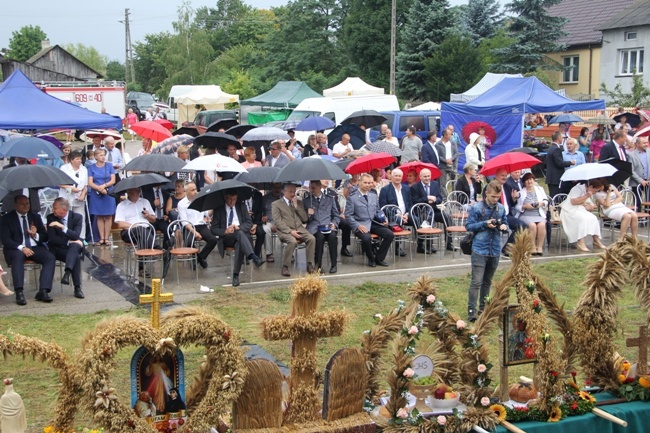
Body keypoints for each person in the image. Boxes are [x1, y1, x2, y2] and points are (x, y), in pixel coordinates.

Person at [465, 180, 510, 322]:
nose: (495, 200)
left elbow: (506, 224)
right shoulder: (477, 208)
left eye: (498, 197)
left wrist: (503, 227)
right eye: (493, 197)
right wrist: (485, 224)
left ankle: (483, 308)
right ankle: (471, 311)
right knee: (476, 281)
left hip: (495, 249)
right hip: (479, 249)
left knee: (488, 281)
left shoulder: (501, 209)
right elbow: (469, 226)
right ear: (486, 194)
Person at [1, 195, 56, 305]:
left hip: (34, 247)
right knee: (18, 257)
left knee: (50, 257)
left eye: (27, 203)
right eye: (22, 204)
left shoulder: (35, 217)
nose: (26, 206)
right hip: (16, 248)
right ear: (15, 205)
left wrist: (35, 235)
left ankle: (43, 290)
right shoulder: (6, 219)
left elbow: (45, 236)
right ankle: (19, 292)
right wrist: (22, 248)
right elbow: (6, 240)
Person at [211, 192, 265, 286]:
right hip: (228, 237)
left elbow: (249, 223)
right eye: (230, 199)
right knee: (239, 235)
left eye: (234, 199)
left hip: (241, 235)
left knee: (239, 243)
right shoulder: (219, 209)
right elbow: (213, 229)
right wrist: (226, 231)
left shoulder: (241, 207)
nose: (232, 202)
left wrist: (239, 227)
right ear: (225, 197)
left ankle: (235, 276)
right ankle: (253, 256)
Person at [345, 173, 394, 267]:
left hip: (373, 222)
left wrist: (384, 218)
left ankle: (379, 258)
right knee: (366, 238)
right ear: (359, 182)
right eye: (365, 182)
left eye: (370, 183)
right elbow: (348, 215)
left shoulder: (373, 195)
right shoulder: (353, 198)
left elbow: (378, 210)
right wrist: (357, 226)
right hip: (360, 224)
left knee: (389, 234)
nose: (368, 185)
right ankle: (371, 258)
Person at [272, 183, 316, 277]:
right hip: (286, 231)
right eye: (290, 192)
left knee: (311, 238)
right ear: (284, 191)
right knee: (292, 241)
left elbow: (304, 219)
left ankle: (309, 264)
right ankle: (285, 266)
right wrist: (290, 231)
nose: (293, 194)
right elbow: (278, 222)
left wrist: (296, 207)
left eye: (294, 192)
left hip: (300, 229)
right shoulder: (276, 204)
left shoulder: (298, 203)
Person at [115, 187, 158, 277]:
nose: (138, 193)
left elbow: (154, 219)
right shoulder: (122, 205)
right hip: (129, 231)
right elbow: (121, 224)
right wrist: (135, 225)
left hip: (146, 231)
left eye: (139, 191)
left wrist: (148, 216)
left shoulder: (145, 202)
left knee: (143, 235)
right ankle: (156, 247)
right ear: (129, 192)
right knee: (141, 229)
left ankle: (141, 269)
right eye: (136, 191)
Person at [46, 198, 85, 299]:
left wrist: (63, 227)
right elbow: (53, 239)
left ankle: (68, 273)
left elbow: (76, 235)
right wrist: (68, 242)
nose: (52, 210)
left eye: (55, 208)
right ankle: (77, 287)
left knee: (75, 249)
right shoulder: (51, 218)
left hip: (71, 249)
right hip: (58, 249)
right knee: (75, 252)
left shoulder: (77, 217)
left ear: (63, 210)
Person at [410, 168, 456, 252]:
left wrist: (435, 199)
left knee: (447, 218)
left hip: (434, 210)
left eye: (428, 176)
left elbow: (440, 198)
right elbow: (414, 201)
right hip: (421, 211)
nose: (427, 178)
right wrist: (426, 198)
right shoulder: (415, 187)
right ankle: (426, 245)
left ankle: (449, 243)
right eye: (425, 176)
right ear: (420, 177)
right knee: (428, 219)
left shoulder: (435, 184)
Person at [177, 182, 217, 269]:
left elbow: (208, 214)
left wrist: (213, 206)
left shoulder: (200, 199)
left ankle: (199, 259)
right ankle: (199, 260)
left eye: (196, 189)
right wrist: (195, 233)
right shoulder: (181, 204)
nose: (195, 191)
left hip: (201, 225)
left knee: (213, 240)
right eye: (192, 190)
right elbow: (185, 222)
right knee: (188, 242)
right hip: (189, 227)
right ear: (186, 192)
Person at [303, 180, 340, 273]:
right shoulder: (306, 201)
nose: (311, 190)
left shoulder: (329, 199)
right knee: (320, 237)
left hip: (327, 225)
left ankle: (334, 264)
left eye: (314, 188)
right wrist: (308, 215)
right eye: (310, 187)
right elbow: (304, 219)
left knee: (332, 237)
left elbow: (336, 215)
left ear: (320, 187)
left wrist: (334, 224)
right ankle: (317, 265)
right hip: (315, 227)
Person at [560, 180, 606, 252]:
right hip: (569, 211)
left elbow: (590, 207)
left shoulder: (588, 192)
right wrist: (586, 196)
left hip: (580, 210)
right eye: (596, 190)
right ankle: (580, 242)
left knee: (593, 218)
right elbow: (573, 201)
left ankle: (596, 240)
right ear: (590, 187)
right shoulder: (577, 188)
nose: (595, 192)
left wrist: (588, 206)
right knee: (583, 219)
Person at [378, 168, 411, 257]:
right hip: (392, 215)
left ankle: (422, 244)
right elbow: (383, 207)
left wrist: (407, 214)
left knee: (418, 220)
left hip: (406, 214)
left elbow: (410, 203)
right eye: (396, 176)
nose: (398, 178)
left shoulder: (406, 188)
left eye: (399, 176)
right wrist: (398, 214)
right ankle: (397, 247)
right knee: (398, 220)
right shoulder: (385, 190)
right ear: (391, 177)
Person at [87, 148, 117, 246]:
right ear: (95, 156)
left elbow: (113, 180)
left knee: (108, 215)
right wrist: (99, 189)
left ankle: (107, 238)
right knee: (99, 215)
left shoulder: (109, 166)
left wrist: (104, 186)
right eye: (100, 155)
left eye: (104, 155)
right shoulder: (91, 167)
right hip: (96, 192)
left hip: (108, 191)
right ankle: (101, 238)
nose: (103, 157)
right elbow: (90, 182)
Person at [514, 173, 549, 255]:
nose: (529, 182)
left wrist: (542, 203)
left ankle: (539, 247)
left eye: (531, 179)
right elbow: (516, 207)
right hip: (526, 214)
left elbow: (546, 201)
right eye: (527, 180)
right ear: (524, 182)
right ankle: (532, 247)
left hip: (538, 213)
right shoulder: (521, 192)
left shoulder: (540, 189)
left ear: (533, 180)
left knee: (542, 225)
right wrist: (525, 206)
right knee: (532, 225)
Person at [59, 150, 88, 239]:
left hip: (79, 197)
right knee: (66, 217)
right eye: (77, 159)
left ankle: (81, 237)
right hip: (67, 197)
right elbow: (59, 183)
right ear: (72, 160)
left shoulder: (84, 169)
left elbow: (85, 184)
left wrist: (83, 194)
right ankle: (67, 236)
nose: (79, 161)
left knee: (81, 217)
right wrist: (71, 188)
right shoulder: (64, 168)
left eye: (80, 159)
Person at [545, 131, 575, 198]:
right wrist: (570, 162)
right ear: (559, 138)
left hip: (551, 177)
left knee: (553, 195)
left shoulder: (551, 148)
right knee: (556, 196)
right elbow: (560, 163)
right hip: (555, 178)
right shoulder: (556, 149)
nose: (562, 139)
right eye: (561, 137)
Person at [262, 183, 283, 263]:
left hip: (281, 221)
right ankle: (269, 254)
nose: (277, 190)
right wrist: (262, 217)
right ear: (271, 188)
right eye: (275, 188)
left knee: (289, 228)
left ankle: (289, 253)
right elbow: (260, 211)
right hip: (269, 221)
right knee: (265, 229)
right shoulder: (265, 198)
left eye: (279, 188)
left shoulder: (284, 198)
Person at [629, 136, 650, 210]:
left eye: (647, 142)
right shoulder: (631, 155)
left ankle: (648, 219)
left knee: (649, 203)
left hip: (649, 182)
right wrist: (641, 181)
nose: (646, 144)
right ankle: (638, 219)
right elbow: (630, 170)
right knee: (637, 203)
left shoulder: (649, 152)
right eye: (644, 143)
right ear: (637, 144)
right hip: (636, 182)